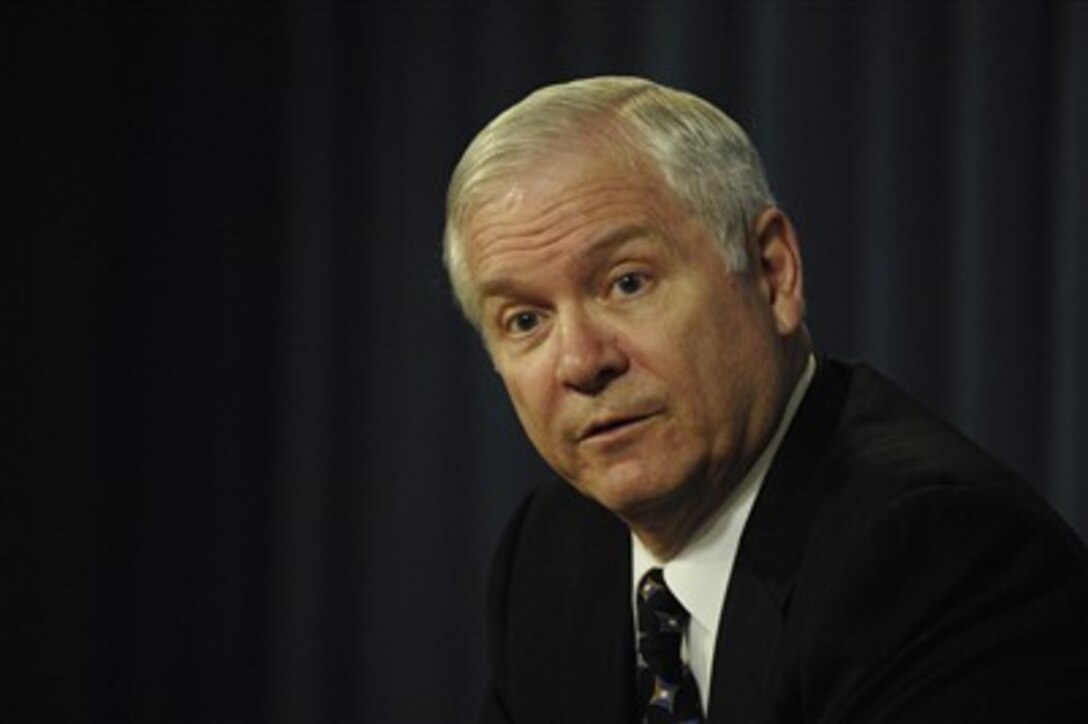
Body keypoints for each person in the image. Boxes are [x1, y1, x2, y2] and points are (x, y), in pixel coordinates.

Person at [442, 76, 1088, 723]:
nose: (582, 361)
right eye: (525, 321)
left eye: (627, 282)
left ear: (773, 273)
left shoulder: (937, 556)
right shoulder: (553, 549)